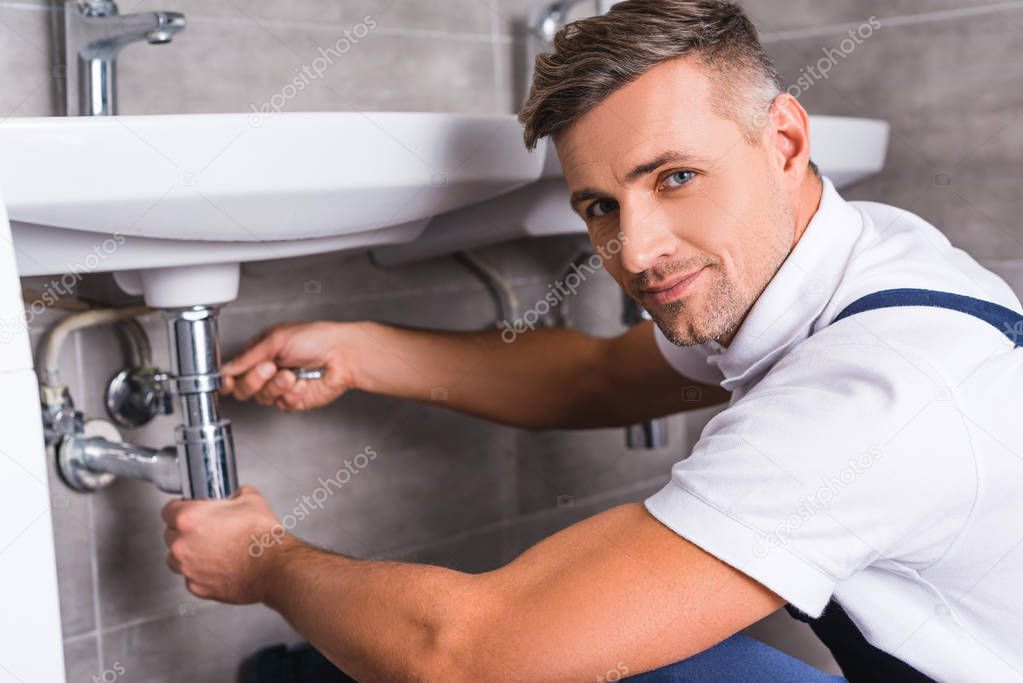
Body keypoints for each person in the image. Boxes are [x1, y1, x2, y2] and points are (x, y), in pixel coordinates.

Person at [160, 1, 1023, 680]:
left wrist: (265, 563)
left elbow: (459, 656)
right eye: (600, 206)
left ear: (786, 139)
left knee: (568, 651)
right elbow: (601, 379)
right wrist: (361, 349)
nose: (635, 251)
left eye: (674, 176)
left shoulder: (867, 396)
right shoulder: (848, 256)